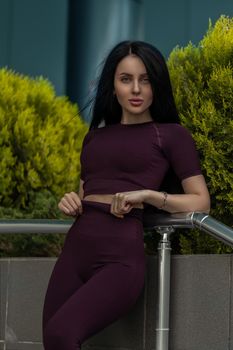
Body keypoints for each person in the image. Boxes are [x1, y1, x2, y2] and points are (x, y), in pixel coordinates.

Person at [42, 40, 210, 350]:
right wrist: (71, 200)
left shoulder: (171, 135)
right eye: (126, 79)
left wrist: (149, 195)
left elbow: (200, 200)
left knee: (61, 334)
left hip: (119, 259)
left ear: (156, 85)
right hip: (75, 252)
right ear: (113, 86)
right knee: (52, 340)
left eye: (145, 80)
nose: (136, 89)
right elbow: (86, 193)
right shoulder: (94, 138)